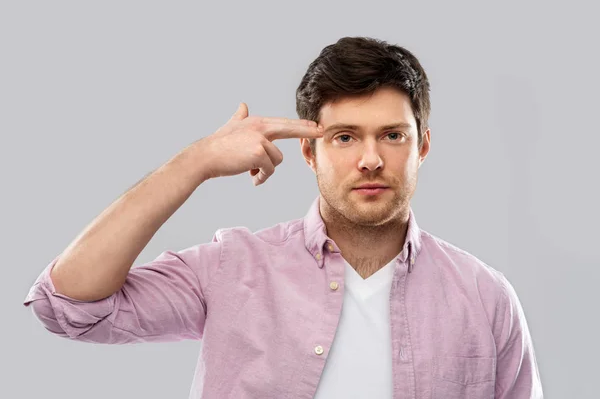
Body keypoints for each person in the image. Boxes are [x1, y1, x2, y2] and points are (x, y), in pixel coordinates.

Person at [24, 36, 543, 399]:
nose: (370, 159)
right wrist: (197, 160)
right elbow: (68, 304)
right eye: (344, 137)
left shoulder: (485, 296)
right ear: (309, 153)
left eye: (392, 135)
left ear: (422, 146)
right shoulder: (233, 268)